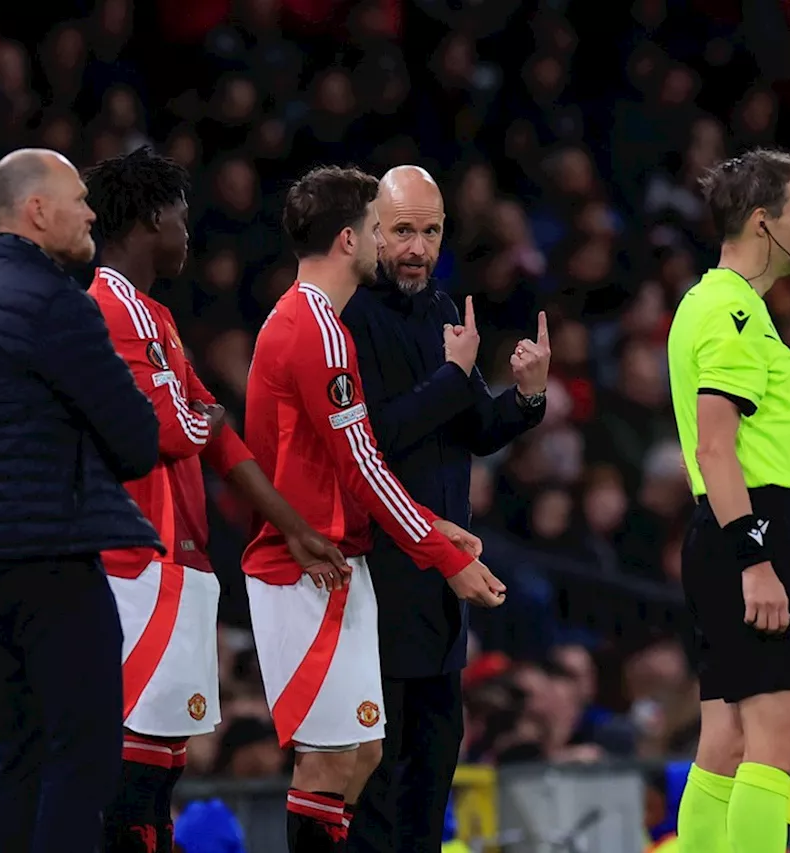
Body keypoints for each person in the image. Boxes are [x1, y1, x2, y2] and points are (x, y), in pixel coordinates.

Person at [80, 147, 350, 853]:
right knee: (137, 757)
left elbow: (220, 440)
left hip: (177, 555)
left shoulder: (156, 318)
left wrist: (291, 526)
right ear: (145, 221)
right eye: (179, 217)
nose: (187, 233)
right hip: (141, 553)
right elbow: (178, 425)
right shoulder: (110, 307)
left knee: (164, 754)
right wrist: (208, 422)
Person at [243, 164, 508, 853]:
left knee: (356, 762)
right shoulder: (326, 328)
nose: (400, 246)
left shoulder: (316, 319)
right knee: (346, 765)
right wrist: (442, 547)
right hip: (327, 571)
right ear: (351, 237)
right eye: (382, 229)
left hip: (335, 560)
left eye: (428, 230)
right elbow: (365, 460)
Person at [0, 148, 162, 853]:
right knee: (84, 747)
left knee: (21, 747)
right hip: (49, 548)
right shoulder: (56, 302)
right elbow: (136, 439)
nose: (92, 213)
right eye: (78, 199)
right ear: (37, 211)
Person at [341, 165, 548, 853]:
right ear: (372, 231)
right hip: (380, 577)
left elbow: (473, 427)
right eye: (403, 230)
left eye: (430, 231)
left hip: (442, 584)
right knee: (378, 776)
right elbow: (372, 438)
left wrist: (525, 397)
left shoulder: (441, 308)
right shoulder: (351, 315)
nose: (417, 248)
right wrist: (452, 376)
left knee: (433, 769)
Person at [666, 148, 790, 853]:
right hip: (750, 525)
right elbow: (716, 447)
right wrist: (756, 554)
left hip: (721, 529)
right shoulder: (734, 312)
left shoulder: (704, 302)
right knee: (778, 749)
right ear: (764, 222)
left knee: (724, 744)